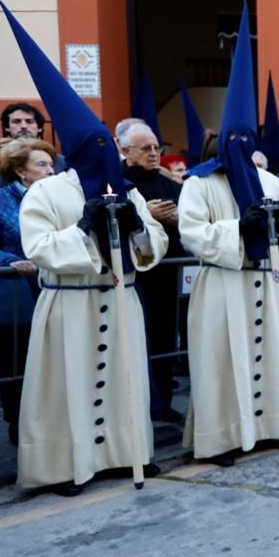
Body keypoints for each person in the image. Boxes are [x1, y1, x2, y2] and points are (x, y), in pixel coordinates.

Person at [0, 2, 169, 495]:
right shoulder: (46, 193)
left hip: (118, 298)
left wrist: (136, 225)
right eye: (94, 147)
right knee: (67, 387)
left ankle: (126, 453)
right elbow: (41, 246)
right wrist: (86, 232)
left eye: (106, 147)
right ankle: (66, 465)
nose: (103, 157)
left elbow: (152, 245)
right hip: (70, 302)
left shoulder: (127, 191)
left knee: (123, 380)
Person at [179, 5, 279, 467]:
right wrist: (237, 229)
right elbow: (192, 233)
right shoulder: (200, 183)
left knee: (267, 355)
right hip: (223, 282)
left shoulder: (269, 182)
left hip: (263, 280)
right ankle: (221, 437)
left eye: (250, 141)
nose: (244, 149)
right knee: (219, 363)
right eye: (237, 141)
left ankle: (268, 426)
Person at [118, 123, 186, 425]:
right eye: (146, 148)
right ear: (125, 150)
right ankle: (138, 405)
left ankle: (163, 402)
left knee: (164, 339)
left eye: (157, 147)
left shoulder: (169, 184)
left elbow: (192, 218)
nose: (154, 154)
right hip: (135, 274)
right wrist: (146, 213)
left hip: (167, 272)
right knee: (134, 339)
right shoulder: (119, 183)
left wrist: (177, 217)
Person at [0, 138, 56, 447]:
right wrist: (12, 262)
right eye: (42, 165)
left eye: (52, 165)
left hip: (55, 289)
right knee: (16, 359)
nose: (50, 171)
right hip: (18, 292)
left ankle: (52, 420)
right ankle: (17, 422)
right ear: (20, 170)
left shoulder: (57, 199)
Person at [0, 102, 67, 189]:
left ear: (39, 128)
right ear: (7, 127)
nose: (23, 126)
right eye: (16, 122)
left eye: (29, 121)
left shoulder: (60, 161)